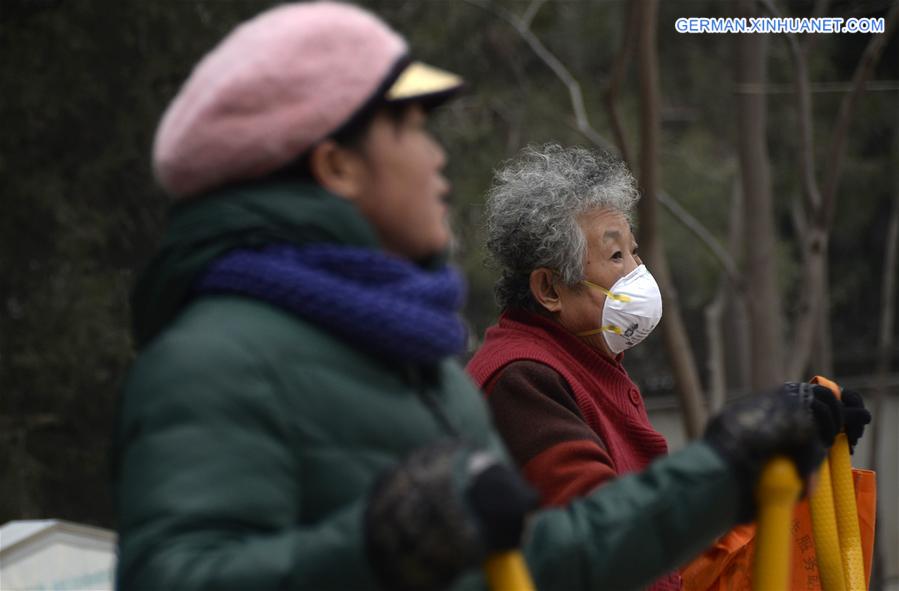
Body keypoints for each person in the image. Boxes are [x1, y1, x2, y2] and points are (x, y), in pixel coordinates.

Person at [114, 4, 832, 591]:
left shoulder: (423, 367)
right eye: (410, 129)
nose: (437, 159)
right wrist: (376, 545)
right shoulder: (210, 360)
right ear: (336, 165)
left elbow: (542, 559)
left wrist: (724, 467)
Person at [466, 144, 872, 590]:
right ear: (549, 289)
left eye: (634, 252)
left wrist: (788, 436)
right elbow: (606, 545)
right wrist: (736, 456)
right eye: (615, 256)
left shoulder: (581, 360)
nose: (640, 271)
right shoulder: (523, 379)